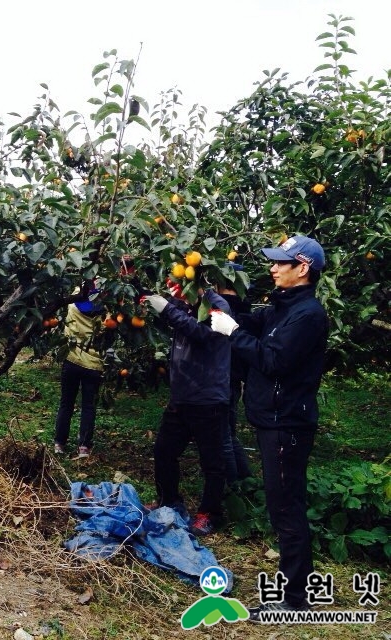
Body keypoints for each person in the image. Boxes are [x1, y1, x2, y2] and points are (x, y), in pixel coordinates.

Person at [210, 235, 328, 618]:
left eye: (281, 263)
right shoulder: (281, 306)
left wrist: (233, 332)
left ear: (303, 268)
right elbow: (247, 319)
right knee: (283, 504)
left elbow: (273, 360)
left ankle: (295, 599)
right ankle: (296, 591)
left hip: (287, 424)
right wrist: (207, 297)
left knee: (285, 507)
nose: (273, 268)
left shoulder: (308, 315)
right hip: (272, 419)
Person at [143, 283, 232, 537]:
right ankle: (169, 500)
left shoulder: (219, 307)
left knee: (212, 461)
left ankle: (209, 513)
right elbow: (177, 318)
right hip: (181, 398)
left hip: (208, 399)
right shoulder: (186, 306)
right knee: (164, 451)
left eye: (178, 282)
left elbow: (201, 334)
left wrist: (167, 309)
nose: (174, 287)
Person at [52, 285, 107, 459]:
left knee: (66, 403)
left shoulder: (73, 300)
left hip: (72, 360)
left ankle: (59, 443)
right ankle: (84, 447)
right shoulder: (104, 308)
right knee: (88, 407)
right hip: (93, 364)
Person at [215, 262, 252, 487]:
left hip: (220, 377)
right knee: (229, 432)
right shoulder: (245, 308)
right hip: (235, 376)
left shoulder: (218, 308)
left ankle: (232, 487)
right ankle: (246, 479)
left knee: (223, 436)